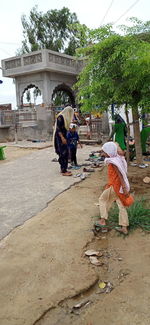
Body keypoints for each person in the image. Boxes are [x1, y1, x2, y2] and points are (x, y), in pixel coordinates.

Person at [95, 142, 134, 235]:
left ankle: (103, 220)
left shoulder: (113, 162)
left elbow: (120, 175)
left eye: (104, 152)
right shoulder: (118, 158)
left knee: (102, 199)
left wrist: (124, 187)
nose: (103, 154)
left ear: (109, 152)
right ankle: (124, 227)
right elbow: (117, 147)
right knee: (121, 206)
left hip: (115, 186)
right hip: (119, 187)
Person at [53, 106, 74, 176]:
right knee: (63, 153)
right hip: (60, 137)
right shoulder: (60, 117)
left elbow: (65, 129)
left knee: (65, 153)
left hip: (64, 137)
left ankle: (64, 169)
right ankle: (63, 170)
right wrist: (62, 138)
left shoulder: (65, 118)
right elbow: (58, 129)